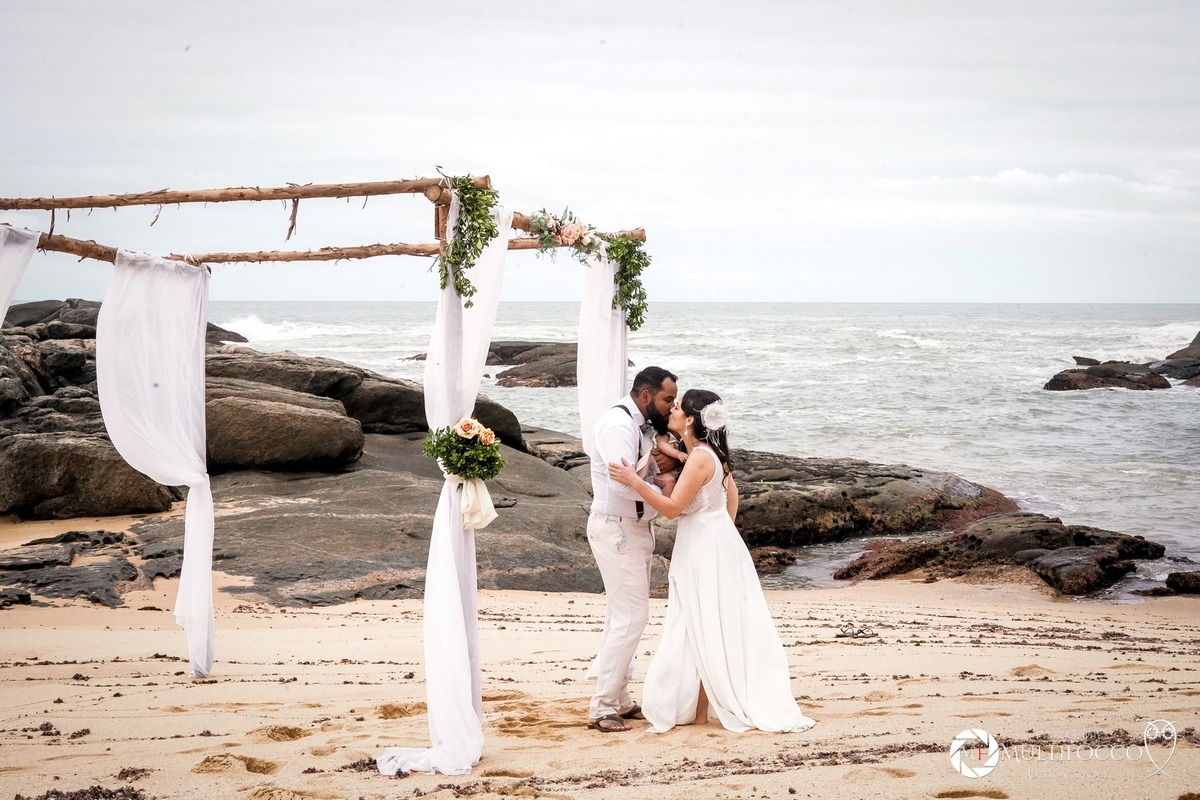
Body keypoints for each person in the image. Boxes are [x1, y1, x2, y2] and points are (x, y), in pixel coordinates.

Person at [608, 389, 816, 734]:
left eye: (677, 407)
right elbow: (730, 497)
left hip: (703, 546)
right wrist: (718, 531)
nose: (671, 410)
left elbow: (673, 509)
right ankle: (701, 712)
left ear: (690, 419)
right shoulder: (708, 453)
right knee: (704, 624)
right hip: (715, 541)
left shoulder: (701, 458)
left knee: (699, 622)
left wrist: (634, 481)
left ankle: (703, 708)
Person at [585, 366, 679, 733]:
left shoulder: (640, 426)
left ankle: (619, 700)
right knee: (631, 618)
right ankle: (603, 705)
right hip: (617, 530)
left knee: (621, 617)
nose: (671, 407)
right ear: (645, 396)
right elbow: (623, 485)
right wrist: (666, 493)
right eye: (667, 399)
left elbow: (637, 478)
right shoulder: (619, 426)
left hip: (636, 529)